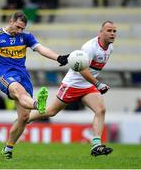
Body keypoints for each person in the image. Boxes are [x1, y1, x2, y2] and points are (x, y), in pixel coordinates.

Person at [0, 11, 69, 159]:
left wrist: (58, 57)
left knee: (23, 117)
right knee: (18, 91)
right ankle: (37, 104)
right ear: (11, 21)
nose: (19, 31)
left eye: (22, 28)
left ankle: (8, 149)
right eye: (17, 27)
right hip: (6, 75)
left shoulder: (26, 36)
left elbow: (41, 49)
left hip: (23, 75)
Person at [28, 21, 117, 157]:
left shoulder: (110, 48)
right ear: (101, 32)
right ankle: (24, 119)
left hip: (87, 85)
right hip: (72, 85)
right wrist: (98, 84)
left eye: (114, 31)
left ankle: (96, 145)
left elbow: (92, 70)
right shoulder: (90, 47)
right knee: (51, 112)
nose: (112, 34)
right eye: (109, 30)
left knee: (100, 110)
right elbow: (82, 69)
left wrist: (94, 84)